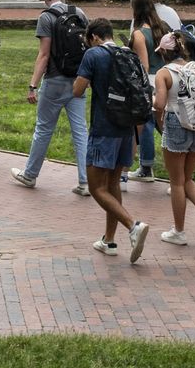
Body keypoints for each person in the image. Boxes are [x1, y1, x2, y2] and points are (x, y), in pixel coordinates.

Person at [75, 18, 150, 262]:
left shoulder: (93, 55)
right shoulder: (128, 53)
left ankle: (132, 225)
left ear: (94, 37)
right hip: (126, 128)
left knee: (96, 188)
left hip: (103, 128)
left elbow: (78, 89)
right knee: (114, 184)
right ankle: (109, 240)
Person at [11, 0, 90, 196]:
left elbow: (44, 54)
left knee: (44, 128)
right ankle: (85, 181)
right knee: (80, 131)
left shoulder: (46, 17)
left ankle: (30, 174)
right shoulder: (79, 12)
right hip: (78, 81)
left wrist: (32, 85)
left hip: (55, 79)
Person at [152, 26, 195, 246]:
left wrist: (152, 103)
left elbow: (160, 104)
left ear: (164, 52)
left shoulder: (164, 72)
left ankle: (179, 231)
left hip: (176, 124)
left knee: (176, 182)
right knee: (187, 177)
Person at [128, 0, 173, 182]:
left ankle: (146, 167)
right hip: (169, 78)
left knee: (144, 124)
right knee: (167, 125)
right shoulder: (165, 28)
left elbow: (143, 66)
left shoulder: (138, 34)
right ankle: (181, 169)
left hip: (150, 81)